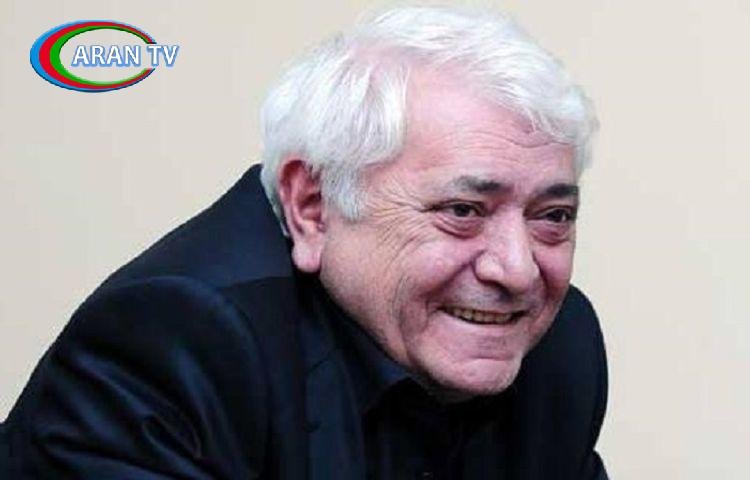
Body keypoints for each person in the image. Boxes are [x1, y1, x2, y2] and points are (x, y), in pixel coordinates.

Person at [1, 6, 608, 479]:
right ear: (312, 208)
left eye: (553, 216)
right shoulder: (178, 341)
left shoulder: (556, 348)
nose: (518, 270)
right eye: (462, 211)